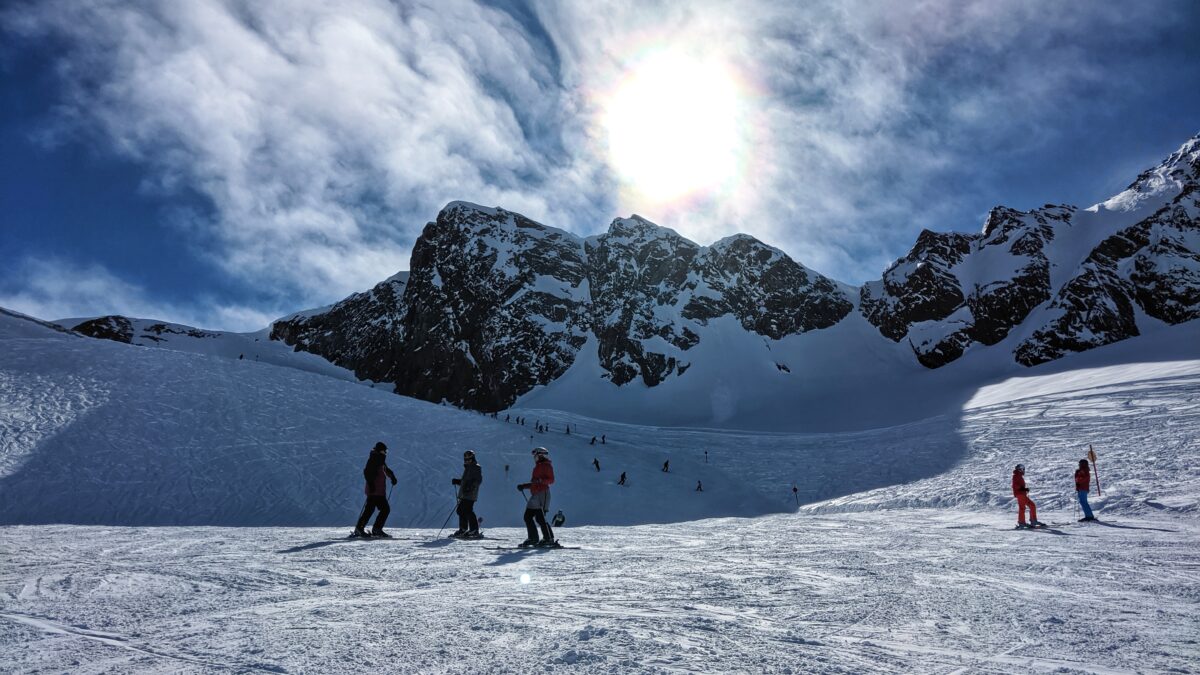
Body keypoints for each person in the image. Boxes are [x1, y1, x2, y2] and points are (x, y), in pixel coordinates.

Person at [354, 442, 397, 537]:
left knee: (375, 509)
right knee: (383, 509)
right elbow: (367, 472)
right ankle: (371, 529)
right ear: (380, 450)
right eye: (384, 450)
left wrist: (392, 477)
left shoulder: (380, 459)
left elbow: (386, 469)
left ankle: (365, 529)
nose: (385, 452)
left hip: (379, 491)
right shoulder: (374, 459)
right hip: (374, 491)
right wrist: (371, 484)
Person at [517, 447, 557, 547]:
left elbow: (551, 480)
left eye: (535, 456)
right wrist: (524, 486)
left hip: (542, 493)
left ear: (541, 455)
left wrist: (540, 480)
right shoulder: (537, 467)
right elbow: (535, 483)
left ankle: (546, 539)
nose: (534, 458)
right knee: (528, 517)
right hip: (536, 494)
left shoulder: (547, 466)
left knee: (539, 518)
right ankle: (535, 539)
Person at [450, 450, 483, 538]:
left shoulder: (475, 467)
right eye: (466, 459)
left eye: (469, 459)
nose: (467, 461)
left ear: (473, 459)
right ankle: (463, 529)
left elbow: (478, 480)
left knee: (467, 510)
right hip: (465, 493)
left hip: (470, 493)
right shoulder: (468, 468)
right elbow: (465, 482)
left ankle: (474, 530)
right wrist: (458, 481)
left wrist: (470, 486)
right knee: (460, 510)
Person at [1012, 464, 1043, 528]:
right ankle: (1028, 521)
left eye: (1023, 469)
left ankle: (1025, 522)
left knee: (1027, 506)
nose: (1023, 470)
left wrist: (1024, 489)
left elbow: (1018, 485)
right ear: (1019, 469)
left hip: (1021, 494)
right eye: (1022, 469)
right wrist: (1023, 489)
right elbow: (1015, 485)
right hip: (1020, 494)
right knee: (1029, 506)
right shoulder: (1016, 476)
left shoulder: (1019, 476)